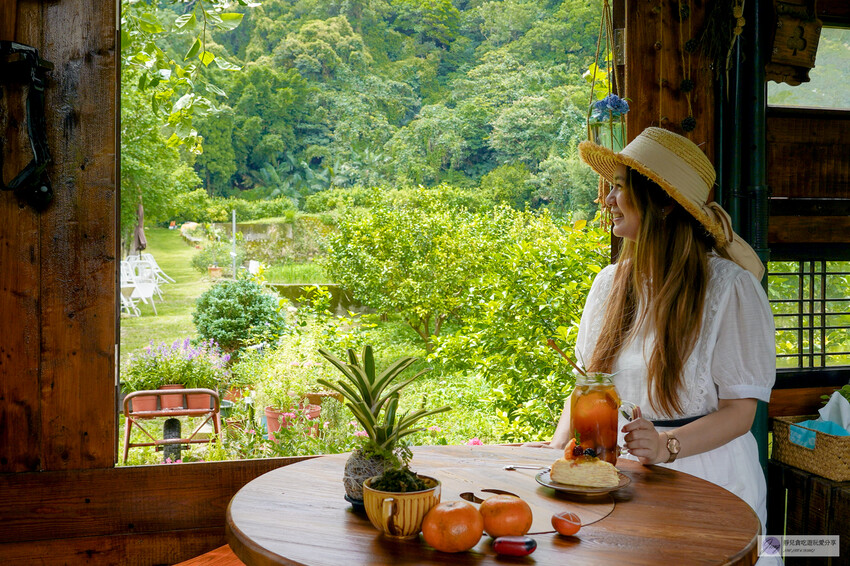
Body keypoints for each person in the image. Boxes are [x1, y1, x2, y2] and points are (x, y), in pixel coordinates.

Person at [547, 127, 776, 534]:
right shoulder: (608, 285)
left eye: (619, 188)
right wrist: (552, 457)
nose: (608, 200)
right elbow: (585, 387)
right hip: (618, 475)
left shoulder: (731, 289)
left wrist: (667, 447)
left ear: (664, 204)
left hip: (709, 477)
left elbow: (741, 413)